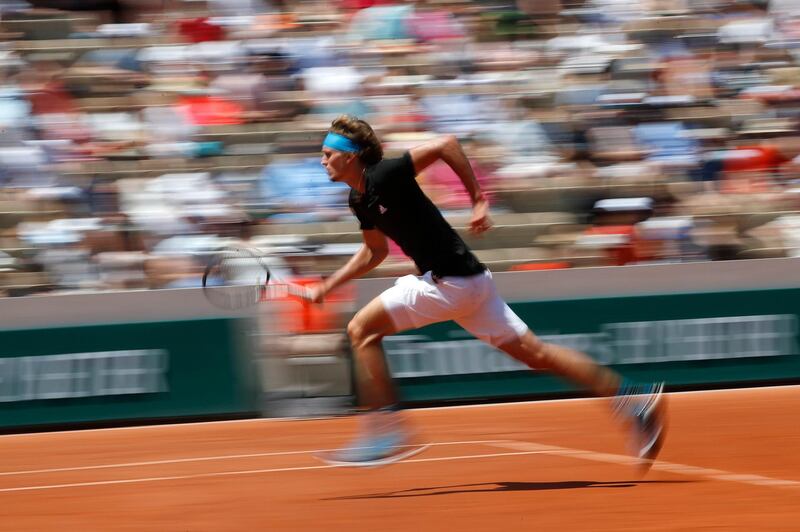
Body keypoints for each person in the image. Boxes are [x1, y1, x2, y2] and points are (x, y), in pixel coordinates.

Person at [308, 115, 666, 468]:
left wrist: (478, 199)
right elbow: (376, 251)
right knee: (536, 355)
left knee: (360, 331)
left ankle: (386, 431)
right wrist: (329, 285)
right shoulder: (358, 200)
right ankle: (634, 400)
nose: (322, 160)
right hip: (472, 283)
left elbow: (446, 144)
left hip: (450, 284)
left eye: (328, 153)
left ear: (351, 155)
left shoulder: (384, 174)